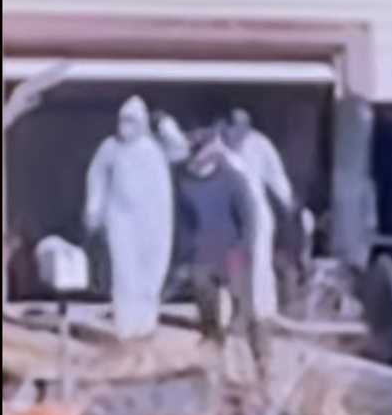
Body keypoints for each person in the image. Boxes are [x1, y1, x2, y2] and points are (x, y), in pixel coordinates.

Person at [83, 96, 174, 340]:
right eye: (123, 120)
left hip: (155, 223)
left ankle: (145, 327)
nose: (126, 125)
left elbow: (181, 151)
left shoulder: (156, 148)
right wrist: (94, 210)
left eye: (132, 120)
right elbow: (97, 178)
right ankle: (126, 329)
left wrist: (167, 127)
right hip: (121, 220)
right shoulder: (110, 148)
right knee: (125, 275)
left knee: (151, 274)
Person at [174, 127, 257, 344]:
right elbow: (183, 223)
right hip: (201, 252)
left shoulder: (233, 179)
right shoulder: (185, 183)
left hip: (233, 250)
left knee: (242, 307)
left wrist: (244, 247)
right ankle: (212, 340)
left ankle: (253, 352)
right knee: (204, 298)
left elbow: (248, 218)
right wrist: (184, 255)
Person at [222, 108, 295, 323]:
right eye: (233, 124)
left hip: (257, 212)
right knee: (233, 265)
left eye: (242, 125)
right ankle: (234, 312)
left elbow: (275, 174)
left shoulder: (260, 144)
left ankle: (263, 312)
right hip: (229, 215)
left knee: (259, 261)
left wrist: (287, 199)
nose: (237, 129)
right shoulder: (221, 146)